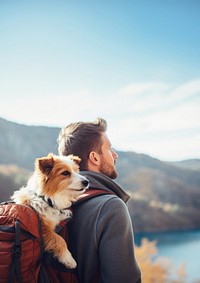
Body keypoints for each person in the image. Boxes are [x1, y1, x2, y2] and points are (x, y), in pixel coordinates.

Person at [57, 117, 141, 283]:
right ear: (94, 157)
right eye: (109, 149)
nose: (115, 155)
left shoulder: (51, 203)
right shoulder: (109, 207)